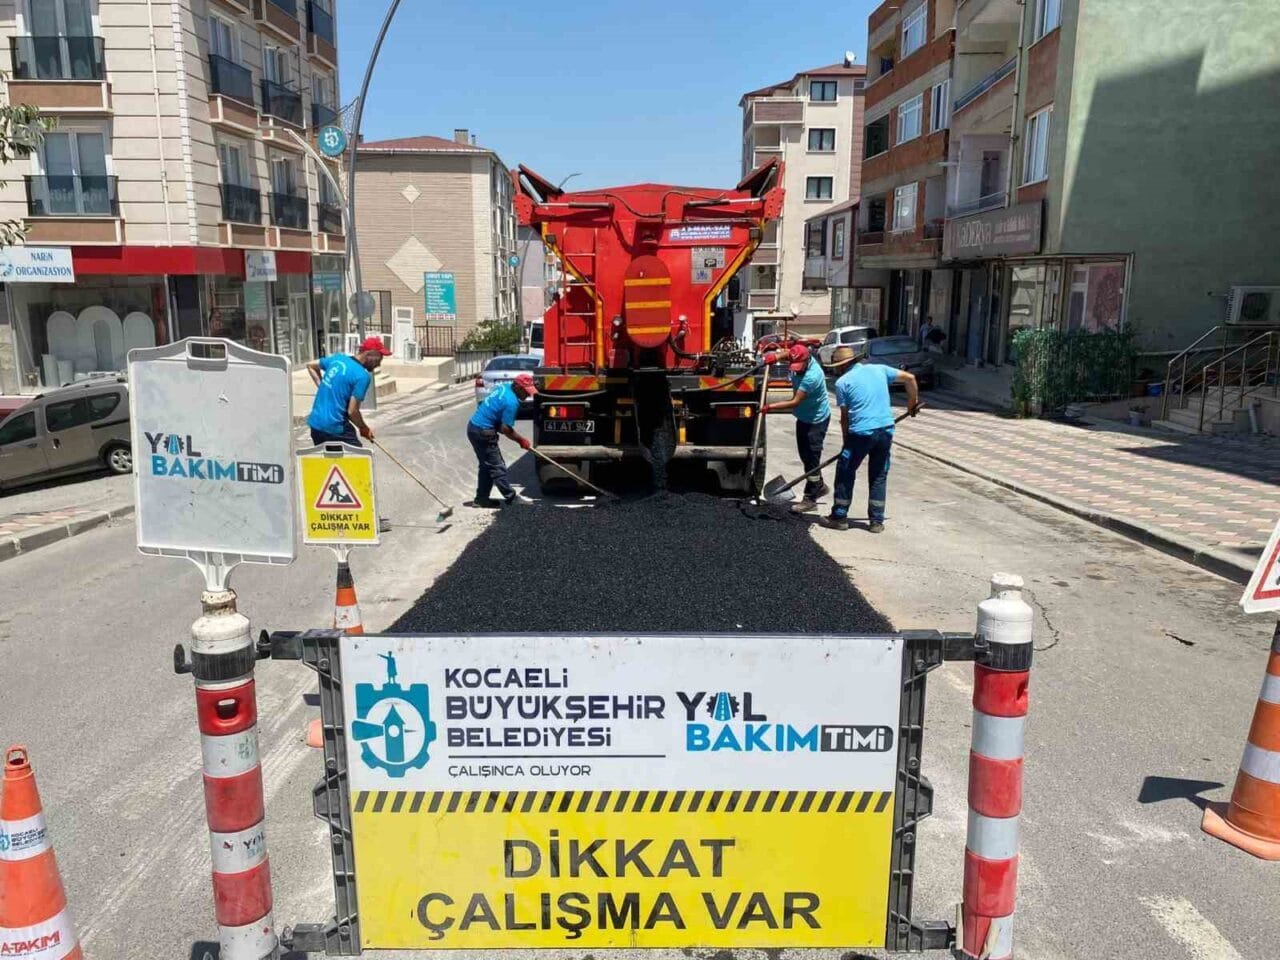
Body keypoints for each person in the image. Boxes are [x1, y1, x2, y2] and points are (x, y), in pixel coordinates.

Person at [821, 343, 919, 533]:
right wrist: (911, 403)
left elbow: (844, 419)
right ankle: (876, 521)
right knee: (879, 474)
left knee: (845, 471)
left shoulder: (843, 383)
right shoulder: (879, 369)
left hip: (861, 433)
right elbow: (910, 378)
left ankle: (839, 516)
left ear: (841, 366)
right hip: (885, 430)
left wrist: (845, 445)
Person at [760, 343, 830, 513]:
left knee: (812, 458)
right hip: (803, 417)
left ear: (807, 360)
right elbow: (787, 354)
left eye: (799, 367)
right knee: (805, 455)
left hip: (816, 419)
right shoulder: (797, 356)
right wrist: (774, 357)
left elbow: (794, 401)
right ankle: (819, 485)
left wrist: (770, 407)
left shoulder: (812, 376)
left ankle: (810, 498)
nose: (796, 370)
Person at [465, 372, 537, 507]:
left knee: (486, 466)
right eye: (526, 392)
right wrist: (521, 440)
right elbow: (505, 429)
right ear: (517, 387)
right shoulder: (511, 402)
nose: (527, 395)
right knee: (497, 466)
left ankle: (481, 499)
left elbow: (494, 413)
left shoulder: (504, 387)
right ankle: (511, 497)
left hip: (474, 427)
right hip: (483, 432)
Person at [305, 336, 390, 446]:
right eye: (379, 358)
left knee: (328, 461)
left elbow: (310, 365)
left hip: (316, 425)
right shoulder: (362, 376)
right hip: (335, 428)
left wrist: (323, 386)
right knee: (359, 460)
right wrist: (363, 428)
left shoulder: (338, 359)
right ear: (369, 354)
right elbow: (352, 411)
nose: (379, 364)